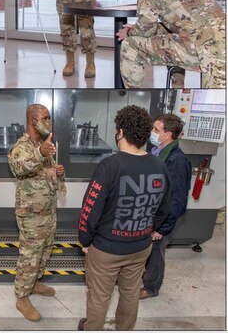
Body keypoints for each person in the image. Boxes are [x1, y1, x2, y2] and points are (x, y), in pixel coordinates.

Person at [77, 105, 171, 331]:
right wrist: (146, 230)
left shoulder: (110, 165)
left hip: (107, 249)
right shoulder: (159, 165)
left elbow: (90, 210)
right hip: (140, 247)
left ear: (120, 132)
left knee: (99, 297)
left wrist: (85, 241)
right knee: (129, 293)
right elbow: (164, 209)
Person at [117, 0, 226, 89]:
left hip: (202, 47)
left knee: (130, 44)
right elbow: (189, 20)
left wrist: (129, 32)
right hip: (220, 38)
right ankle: (177, 87)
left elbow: (146, 26)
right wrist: (138, 28)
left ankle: (132, 96)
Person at [7, 104, 65, 322]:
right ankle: (22, 297)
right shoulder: (21, 147)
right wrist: (40, 154)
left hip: (48, 211)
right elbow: (19, 168)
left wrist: (57, 172)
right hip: (31, 214)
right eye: (45, 118)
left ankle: (35, 282)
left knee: (45, 251)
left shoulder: (44, 144)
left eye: (49, 118)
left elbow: (44, 175)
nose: (48, 122)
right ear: (33, 121)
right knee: (30, 255)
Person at [140, 114, 192, 299]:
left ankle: (151, 288)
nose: (152, 133)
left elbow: (177, 199)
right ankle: (146, 275)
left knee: (156, 253)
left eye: (156, 130)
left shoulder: (177, 161)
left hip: (162, 220)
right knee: (148, 250)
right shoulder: (157, 151)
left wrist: (162, 228)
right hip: (152, 215)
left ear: (168, 134)